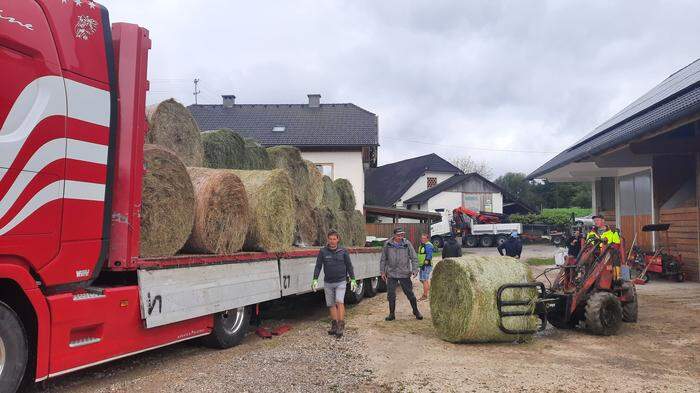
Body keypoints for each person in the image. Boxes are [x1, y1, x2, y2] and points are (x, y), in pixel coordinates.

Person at [311, 230, 357, 338]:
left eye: (334, 239)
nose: (332, 241)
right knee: (331, 304)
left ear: (338, 239)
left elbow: (349, 266)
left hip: (341, 281)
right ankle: (334, 325)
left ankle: (341, 324)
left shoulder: (343, 251)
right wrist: (315, 279)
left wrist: (353, 279)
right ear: (328, 239)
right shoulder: (323, 251)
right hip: (328, 282)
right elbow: (318, 266)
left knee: (339, 301)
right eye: (330, 239)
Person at [380, 228, 423, 321]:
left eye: (402, 235)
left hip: (404, 273)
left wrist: (415, 269)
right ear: (394, 235)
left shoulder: (407, 244)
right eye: (399, 235)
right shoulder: (388, 244)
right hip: (391, 273)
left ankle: (416, 311)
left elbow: (414, 257)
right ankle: (392, 314)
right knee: (391, 295)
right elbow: (383, 259)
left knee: (410, 294)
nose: (401, 237)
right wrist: (382, 272)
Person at [417, 233, 434, 301]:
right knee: (422, 279)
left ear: (427, 239)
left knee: (424, 280)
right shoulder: (423, 245)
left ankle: (425, 295)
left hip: (426, 265)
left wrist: (425, 263)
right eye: (422, 238)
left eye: (424, 238)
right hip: (422, 265)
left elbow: (429, 255)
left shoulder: (428, 245)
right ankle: (430, 290)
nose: (423, 239)